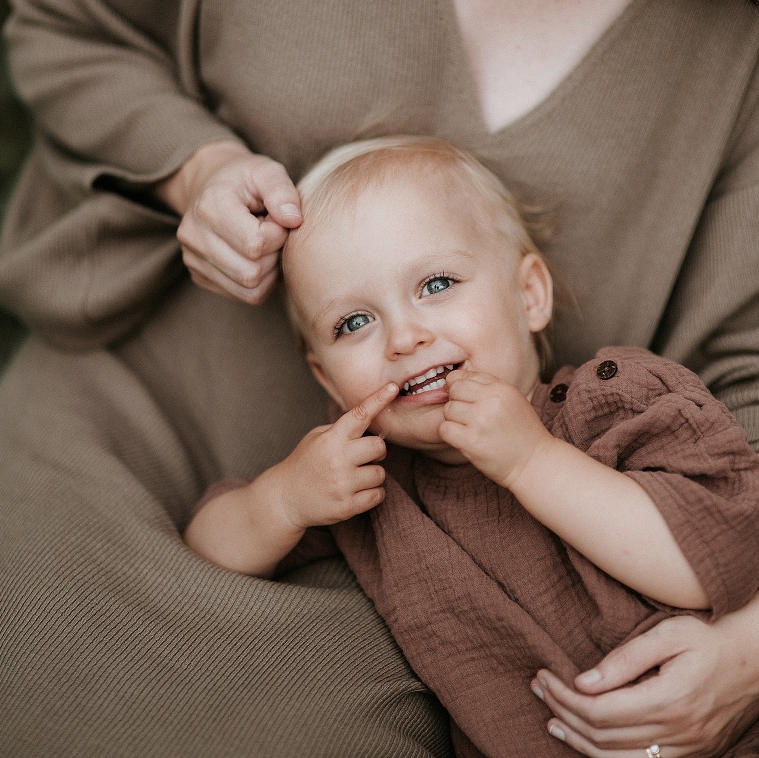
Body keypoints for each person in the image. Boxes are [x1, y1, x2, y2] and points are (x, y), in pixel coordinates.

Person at [0, 0, 759, 754]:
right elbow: (71, 25)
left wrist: (755, 640)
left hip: (496, 578)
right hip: (138, 442)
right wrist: (191, 169)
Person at [184, 136, 759, 758]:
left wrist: (531, 460)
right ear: (325, 376)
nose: (405, 336)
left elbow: (716, 559)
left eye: (436, 283)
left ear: (529, 294)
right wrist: (283, 502)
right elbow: (208, 552)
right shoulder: (367, 482)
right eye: (354, 323)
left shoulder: (616, 400)